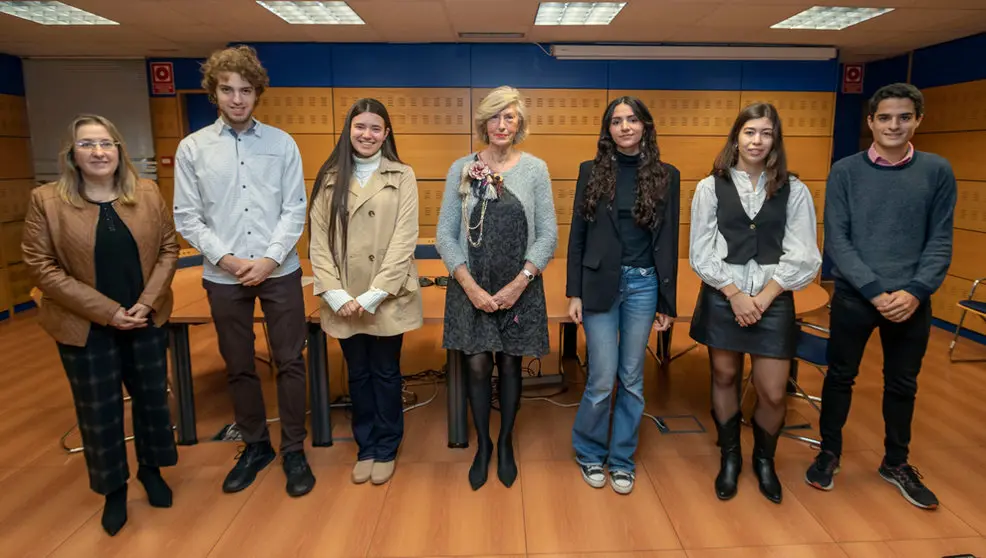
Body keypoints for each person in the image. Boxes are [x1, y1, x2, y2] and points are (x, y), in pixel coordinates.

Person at [21, 114, 179, 536]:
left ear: (119, 150)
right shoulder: (47, 201)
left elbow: (168, 248)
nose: (98, 152)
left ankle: (152, 470)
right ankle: (113, 491)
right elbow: (41, 267)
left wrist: (146, 303)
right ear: (72, 154)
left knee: (151, 401)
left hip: (145, 319)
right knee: (100, 412)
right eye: (88, 144)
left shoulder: (145, 193)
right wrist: (108, 312)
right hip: (85, 327)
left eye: (106, 143)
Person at [805, 83, 955, 510]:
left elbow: (940, 240)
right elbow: (838, 238)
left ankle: (896, 462)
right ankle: (828, 453)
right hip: (857, 297)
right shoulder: (846, 171)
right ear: (870, 121)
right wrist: (874, 290)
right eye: (885, 117)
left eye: (904, 117)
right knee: (839, 376)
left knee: (903, 384)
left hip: (912, 300)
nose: (894, 125)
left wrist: (915, 291)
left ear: (917, 120)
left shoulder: (937, 171)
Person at [173, 45, 314, 497]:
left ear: (257, 93)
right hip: (223, 275)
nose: (237, 98)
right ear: (213, 93)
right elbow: (187, 216)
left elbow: (295, 208)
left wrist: (269, 259)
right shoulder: (192, 148)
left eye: (246, 90)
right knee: (238, 365)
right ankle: (256, 446)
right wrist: (229, 260)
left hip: (280, 270)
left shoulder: (281, 144)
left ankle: (294, 449)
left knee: (291, 361)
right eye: (228, 90)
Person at [689, 103, 822, 504]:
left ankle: (765, 460)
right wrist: (735, 294)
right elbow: (701, 250)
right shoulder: (710, 187)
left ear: (775, 140)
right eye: (750, 132)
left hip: (773, 298)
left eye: (766, 133)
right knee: (725, 376)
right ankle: (730, 458)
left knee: (773, 392)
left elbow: (804, 254)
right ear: (736, 137)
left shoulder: (794, 190)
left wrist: (762, 297)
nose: (757, 140)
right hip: (723, 295)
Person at [436, 85, 558, 490]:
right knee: (476, 364)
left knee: (509, 363)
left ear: (519, 123)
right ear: (483, 123)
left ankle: (505, 442)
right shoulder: (462, 168)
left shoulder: (535, 169)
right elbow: (445, 235)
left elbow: (547, 236)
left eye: (509, 117)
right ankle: (483, 446)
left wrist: (519, 283)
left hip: (519, 287)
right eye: (494, 117)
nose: (501, 124)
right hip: (472, 285)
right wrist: (468, 286)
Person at [566, 96, 681, 495]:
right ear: (608, 130)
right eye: (616, 121)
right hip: (599, 284)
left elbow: (668, 241)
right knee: (601, 376)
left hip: (644, 284)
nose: (625, 127)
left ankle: (621, 459)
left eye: (632, 120)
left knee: (631, 378)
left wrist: (668, 302)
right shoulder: (591, 172)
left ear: (646, 126)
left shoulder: (667, 175)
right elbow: (577, 237)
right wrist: (573, 292)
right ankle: (588, 451)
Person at [309, 98, 423, 486]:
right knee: (357, 374)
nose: (367, 135)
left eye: (376, 128)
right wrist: (336, 294)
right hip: (343, 298)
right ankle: (367, 445)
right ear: (349, 129)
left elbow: (405, 238)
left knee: (386, 372)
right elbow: (318, 244)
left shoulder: (402, 175)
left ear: (386, 133)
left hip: (385, 296)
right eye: (361, 127)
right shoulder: (329, 177)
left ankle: (388, 445)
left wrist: (375, 294)